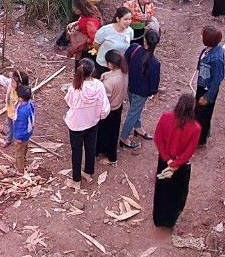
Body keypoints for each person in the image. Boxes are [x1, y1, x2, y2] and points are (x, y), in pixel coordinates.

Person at [152, 94, 202, 232]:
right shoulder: (195, 127)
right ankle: (170, 221)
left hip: (164, 162)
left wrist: (167, 159)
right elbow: (189, 151)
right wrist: (176, 164)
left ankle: (158, 219)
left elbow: (158, 138)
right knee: (177, 193)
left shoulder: (166, 117)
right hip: (180, 166)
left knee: (161, 190)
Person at [63, 58, 110, 191]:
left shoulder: (75, 88)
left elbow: (69, 102)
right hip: (92, 122)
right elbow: (105, 106)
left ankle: (76, 180)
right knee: (91, 147)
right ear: (93, 71)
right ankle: (89, 172)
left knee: (76, 151)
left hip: (76, 125)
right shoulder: (99, 86)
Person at [121, 28, 161, 149]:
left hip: (130, 85)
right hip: (142, 92)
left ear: (144, 40)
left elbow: (125, 59)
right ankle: (124, 137)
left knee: (135, 110)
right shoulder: (155, 63)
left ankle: (137, 128)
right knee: (133, 112)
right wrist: (154, 93)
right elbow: (154, 81)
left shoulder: (134, 48)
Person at [194, 26, 224, 146]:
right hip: (202, 85)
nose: (200, 36)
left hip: (207, 89)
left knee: (202, 115)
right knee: (201, 112)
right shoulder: (209, 50)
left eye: (202, 35)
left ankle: (200, 140)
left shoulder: (216, 58)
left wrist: (207, 97)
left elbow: (217, 80)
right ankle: (203, 133)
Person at [97, 49, 128, 164]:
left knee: (105, 132)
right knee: (113, 132)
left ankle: (111, 157)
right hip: (118, 106)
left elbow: (104, 97)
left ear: (111, 64)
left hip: (110, 108)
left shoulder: (109, 83)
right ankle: (106, 151)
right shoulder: (124, 72)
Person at [0, 67, 28, 146]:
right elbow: (3, 79)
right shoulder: (10, 84)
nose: (10, 81)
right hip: (10, 112)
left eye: (13, 81)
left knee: (19, 128)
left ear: (19, 84)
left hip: (18, 116)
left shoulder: (23, 94)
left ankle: (20, 141)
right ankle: (9, 139)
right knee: (9, 126)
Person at [93, 6, 133, 73]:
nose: (128, 22)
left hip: (119, 66)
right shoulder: (105, 30)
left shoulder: (130, 31)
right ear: (118, 19)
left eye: (130, 19)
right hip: (103, 64)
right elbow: (96, 44)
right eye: (125, 19)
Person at [12, 83, 36, 174]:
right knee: (25, 146)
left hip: (20, 135)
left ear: (21, 98)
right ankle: (24, 159)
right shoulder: (30, 104)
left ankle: (20, 170)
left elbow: (19, 125)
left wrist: (18, 137)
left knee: (19, 153)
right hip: (28, 132)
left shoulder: (22, 112)